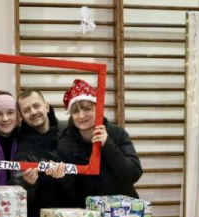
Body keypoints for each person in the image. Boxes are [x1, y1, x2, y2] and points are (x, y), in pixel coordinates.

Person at [48, 79, 143, 207]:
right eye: (75, 111)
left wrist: (108, 145)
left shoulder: (117, 134)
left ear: (98, 110)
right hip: (90, 216)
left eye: (87, 109)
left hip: (123, 210)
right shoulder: (64, 145)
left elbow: (133, 175)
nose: (81, 116)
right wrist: (63, 178)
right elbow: (73, 196)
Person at [14, 90, 63, 217]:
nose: (33, 112)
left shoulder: (68, 132)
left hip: (74, 216)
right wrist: (28, 184)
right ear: (22, 116)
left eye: (36, 106)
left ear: (46, 107)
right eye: (26, 110)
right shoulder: (23, 149)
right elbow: (18, 194)